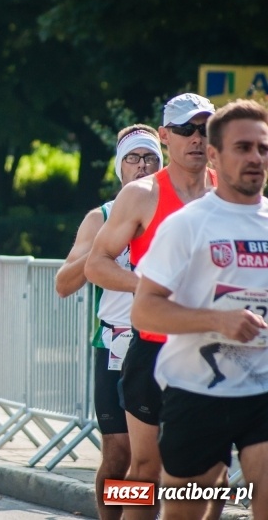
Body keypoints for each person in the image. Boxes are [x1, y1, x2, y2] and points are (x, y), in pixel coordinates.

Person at [131, 99, 268, 518]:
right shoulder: (184, 221)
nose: (256, 158)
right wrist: (217, 321)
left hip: (260, 390)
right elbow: (143, 310)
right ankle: (114, 504)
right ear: (215, 154)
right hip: (193, 389)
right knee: (138, 469)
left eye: (263, 148)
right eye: (243, 148)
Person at [85, 93, 217, 520]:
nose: (197, 138)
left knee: (211, 472)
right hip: (144, 346)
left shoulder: (230, 191)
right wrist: (144, 284)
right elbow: (95, 264)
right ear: (167, 136)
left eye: (205, 129)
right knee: (140, 466)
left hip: (212, 352)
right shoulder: (140, 196)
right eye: (185, 129)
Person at [55, 125, 162, 519]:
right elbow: (63, 284)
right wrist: (103, 249)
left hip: (164, 342)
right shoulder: (99, 218)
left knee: (154, 456)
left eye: (150, 158)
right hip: (114, 346)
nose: (142, 166)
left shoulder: (175, 213)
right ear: (119, 167)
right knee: (119, 454)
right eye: (133, 158)